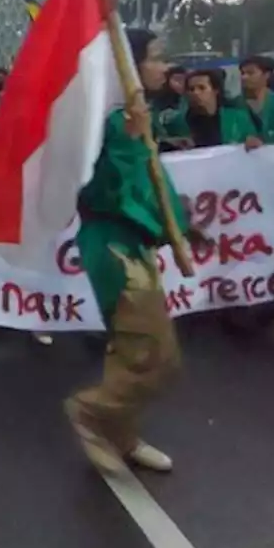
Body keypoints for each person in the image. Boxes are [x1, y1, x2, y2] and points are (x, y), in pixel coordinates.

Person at [64, 28, 186, 476]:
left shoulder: (135, 118)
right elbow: (104, 188)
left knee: (151, 353)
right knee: (146, 348)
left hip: (135, 244)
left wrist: (183, 227)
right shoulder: (106, 123)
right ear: (128, 67)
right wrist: (130, 140)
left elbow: (156, 186)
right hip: (112, 247)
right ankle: (90, 411)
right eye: (156, 57)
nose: (164, 66)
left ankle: (123, 434)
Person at [161, 69, 260, 149]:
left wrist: (253, 142)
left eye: (201, 88)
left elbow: (254, 140)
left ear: (215, 90)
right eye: (191, 89)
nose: (196, 93)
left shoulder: (238, 118)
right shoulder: (176, 123)